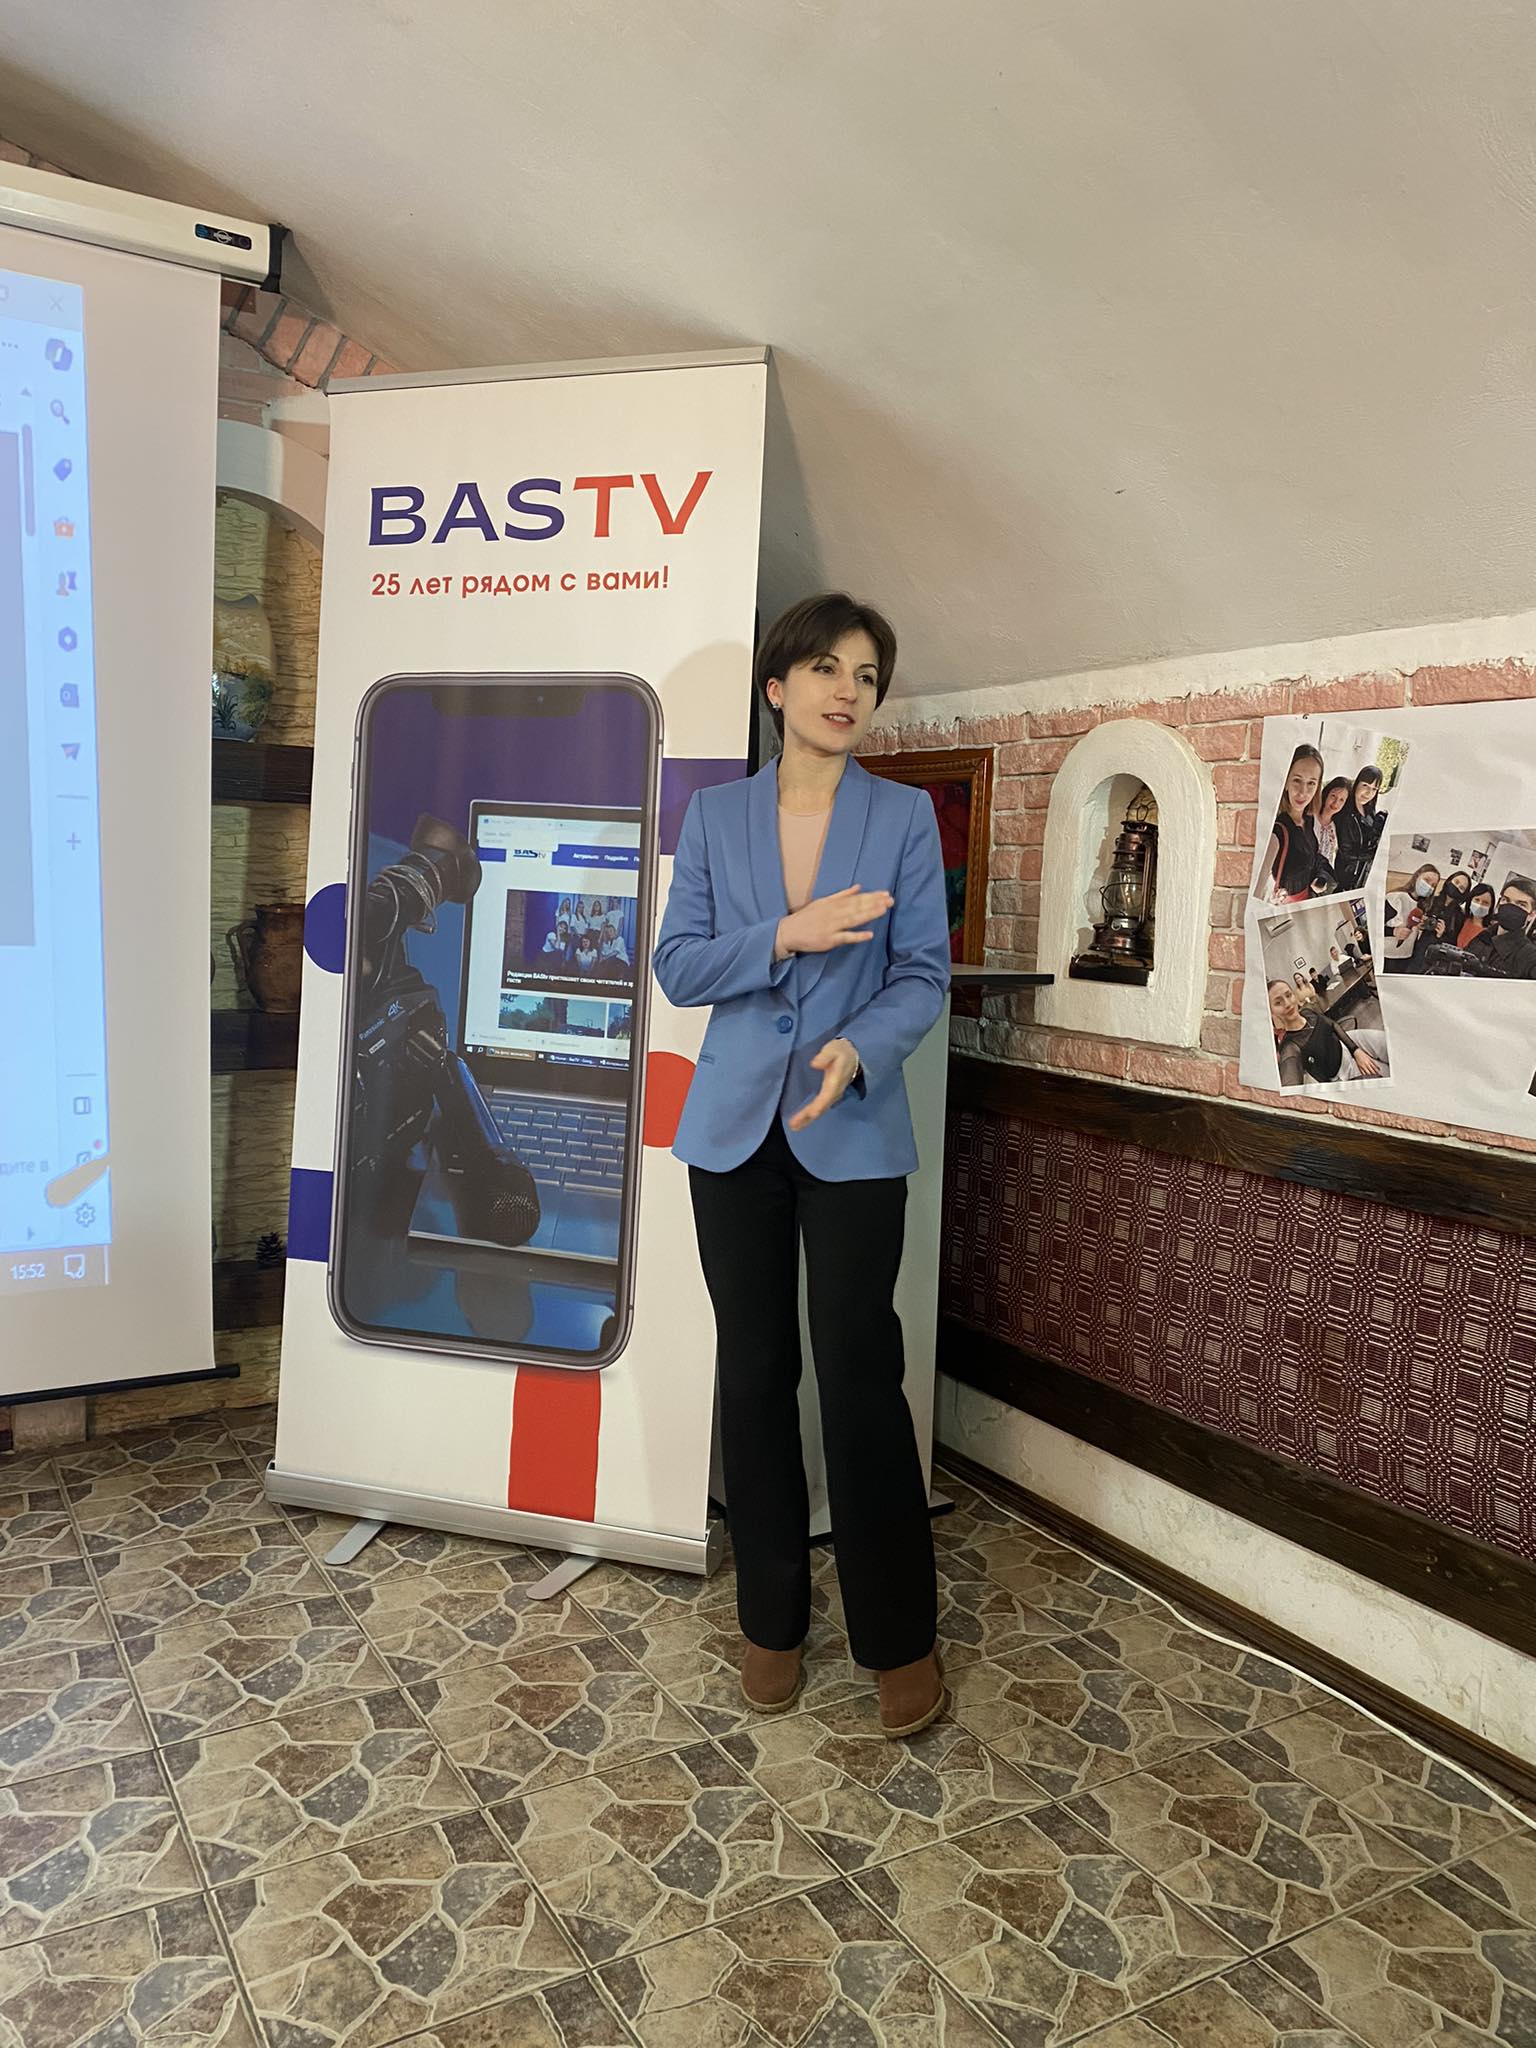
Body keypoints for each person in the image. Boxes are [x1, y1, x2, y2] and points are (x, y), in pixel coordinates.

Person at [654, 591, 950, 1740]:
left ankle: (899, 1635)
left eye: (866, 675)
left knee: (862, 1373)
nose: (847, 690)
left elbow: (920, 973)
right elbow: (680, 964)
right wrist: (787, 932)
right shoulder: (716, 815)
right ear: (778, 687)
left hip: (853, 1127)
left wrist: (859, 1047)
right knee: (756, 1370)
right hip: (732, 1131)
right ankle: (771, 1617)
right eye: (826, 667)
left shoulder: (904, 816)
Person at [1269, 979, 1390, 1087]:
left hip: (1347, 1042)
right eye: (1278, 1003)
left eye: (1288, 995)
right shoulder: (1290, 1047)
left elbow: (1333, 1025)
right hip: (1344, 1071)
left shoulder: (1307, 1012)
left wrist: (1356, 1051)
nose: (1287, 1004)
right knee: (1386, 1073)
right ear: (1271, 1012)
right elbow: (1290, 1086)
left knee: (1389, 1044)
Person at [1259, 745, 1333, 902]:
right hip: (1288, 906)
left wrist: (1321, 877)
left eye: (1311, 783)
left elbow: (1314, 858)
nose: (1303, 792)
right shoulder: (1277, 830)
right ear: (1285, 782)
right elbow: (1259, 884)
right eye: (1297, 780)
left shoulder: (1309, 820)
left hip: (1308, 899)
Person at [1462, 880, 1536, 978]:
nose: (1510, 908)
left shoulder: (1530, 957)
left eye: (1521, 905)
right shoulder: (1483, 936)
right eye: (1506, 900)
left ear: (1532, 915)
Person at [1333, 766, 1386, 892]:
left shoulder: (1369, 810)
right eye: (1365, 785)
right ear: (1357, 784)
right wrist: (1372, 854)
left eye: (1374, 789)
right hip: (1344, 878)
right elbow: (1346, 852)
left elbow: (1370, 839)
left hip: (1362, 877)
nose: (1369, 793)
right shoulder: (1345, 812)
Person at [1383, 863, 1440, 973]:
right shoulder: (1395, 898)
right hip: (1388, 956)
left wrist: (1420, 927)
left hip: (1407, 956)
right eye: (1427, 880)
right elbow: (1373, 927)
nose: (1429, 886)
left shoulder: (1422, 906)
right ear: (1417, 876)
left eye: (1433, 885)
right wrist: (1394, 931)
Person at [1314, 777, 1352, 873]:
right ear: (1327, 794)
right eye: (1333, 796)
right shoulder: (1310, 817)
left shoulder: (1336, 827)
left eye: (1341, 800)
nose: (1336, 803)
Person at [1458, 884, 1497, 950]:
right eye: (1477, 900)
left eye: (1485, 903)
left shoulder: (1490, 933)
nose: (1480, 905)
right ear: (1470, 900)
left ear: (1491, 907)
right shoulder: (1461, 920)